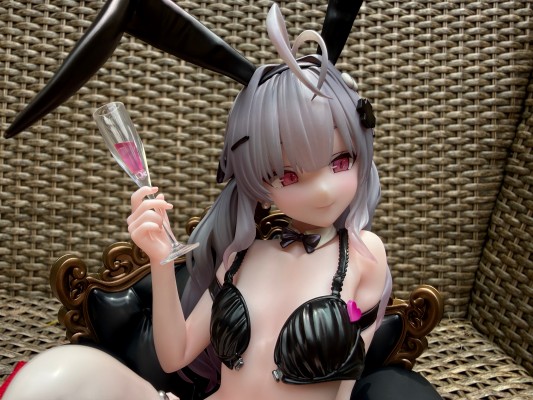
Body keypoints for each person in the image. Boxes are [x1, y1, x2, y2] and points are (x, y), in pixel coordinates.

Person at [4, 4, 392, 400]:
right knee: (62, 374)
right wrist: (160, 260)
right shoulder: (240, 258)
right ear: (258, 180)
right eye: (289, 176)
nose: (324, 190)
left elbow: (345, 386)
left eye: (340, 162)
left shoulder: (363, 255)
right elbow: (174, 355)